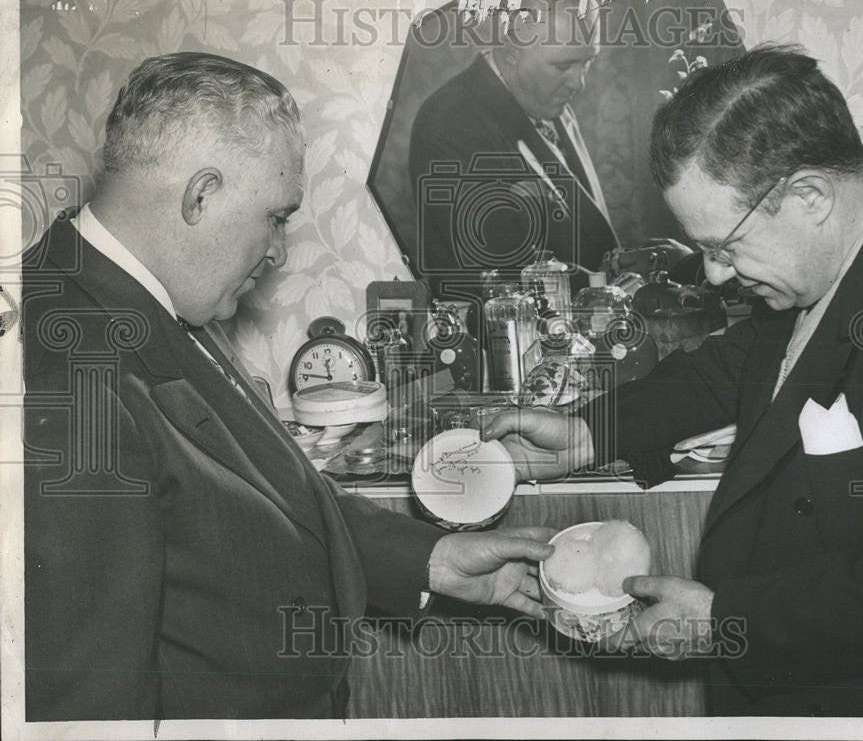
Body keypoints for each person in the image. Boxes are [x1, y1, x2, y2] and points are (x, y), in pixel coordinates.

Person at [21, 52, 556, 721]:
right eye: (275, 215)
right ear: (201, 195)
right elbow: (85, 702)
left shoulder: (152, 294)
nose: (276, 250)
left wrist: (436, 558)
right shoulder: (67, 366)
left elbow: (264, 499)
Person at [483, 45, 863, 717]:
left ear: (810, 196)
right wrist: (587, 432)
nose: (714, 274)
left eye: (724, 247)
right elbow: (738, 362)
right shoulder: (835, 256)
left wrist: (726, 621)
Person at [408, 0, 619, 297]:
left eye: (587, 61)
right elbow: (502, 276)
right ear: (509, 53)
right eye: (563, 65)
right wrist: (617, 289)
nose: (579, 84)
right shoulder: (451, 124)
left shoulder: (546, 99)